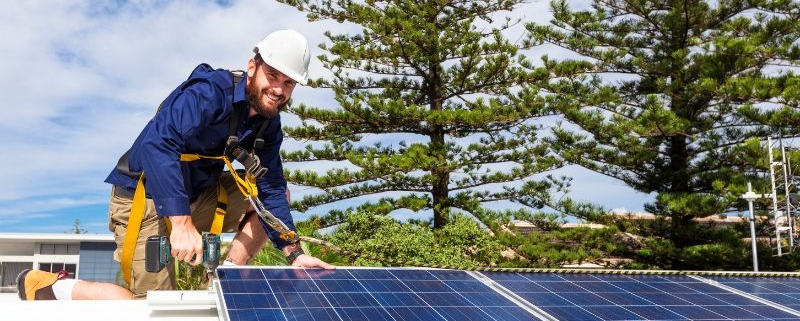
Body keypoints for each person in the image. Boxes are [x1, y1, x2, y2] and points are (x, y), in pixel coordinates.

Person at [17, 29, 335, 301]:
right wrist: (181, 224)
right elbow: (158, 144)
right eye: (273, 75)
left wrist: (295, 253)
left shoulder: (268, 125)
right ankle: (52, 286)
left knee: (275, 195)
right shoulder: (209, 93)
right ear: (253, 67)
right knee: (152, 307)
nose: (279, 89)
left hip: (197, 196)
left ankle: (226, 276)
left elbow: (271, 187)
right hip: (145, 199)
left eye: (289, 82)